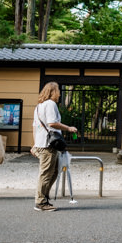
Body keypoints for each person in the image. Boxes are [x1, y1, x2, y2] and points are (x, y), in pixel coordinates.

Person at [32, 82, 77, 212]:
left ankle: (44, 197)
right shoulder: (51, 104)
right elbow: (52, 123)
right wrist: (68, 128)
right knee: (46, 173)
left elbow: (35, 126)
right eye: (57, 91)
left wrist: (35, 144)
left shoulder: (39, 106)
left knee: (53, 172)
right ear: (52, 92)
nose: (59, 94)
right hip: (48, 145)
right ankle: (40, 202)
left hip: (42, 143)